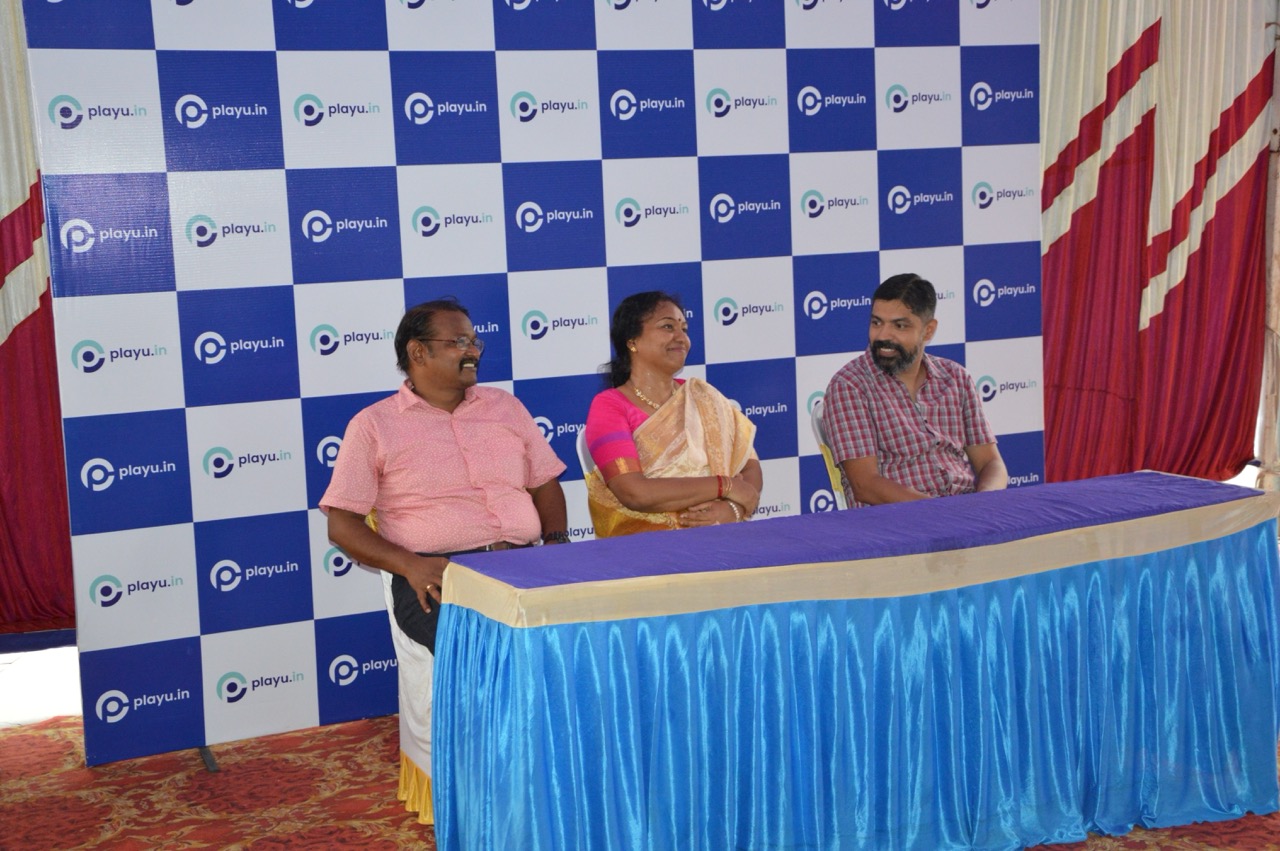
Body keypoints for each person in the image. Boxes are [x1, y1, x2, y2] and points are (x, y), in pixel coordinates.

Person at [320, 298, 568, 824]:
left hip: (525, 566)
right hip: (435, 577)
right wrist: (410, 565)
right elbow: (342, 524)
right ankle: (492, 797)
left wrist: (557, 544)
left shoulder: (505, 407)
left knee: (586, 639)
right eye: (459, 342)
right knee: (490, 654)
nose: (473, 350)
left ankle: (558, 777)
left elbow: (545, 483)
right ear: (418, 352)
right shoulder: (374, 425)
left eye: (474, 341)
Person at [583, 290, 762, 536]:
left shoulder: (702, 397)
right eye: (668, 327)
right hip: (647, 543)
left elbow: (749, 466)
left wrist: (733, 510)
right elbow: (634, 493)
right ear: (632, 341)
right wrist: (724, 486)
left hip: (717, 537)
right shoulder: (610, 406)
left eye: (684, 329)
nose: (681, 338)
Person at [823, 272, 1007, 508]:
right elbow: (865, 485)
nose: (883, 335)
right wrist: (943, 513)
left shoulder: (956, 378)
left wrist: (985, 502)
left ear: (928, 331)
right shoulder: (850, 385)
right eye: (876, 322)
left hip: (963, 511)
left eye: (899, 326)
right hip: (895, 520)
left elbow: (991, 463)